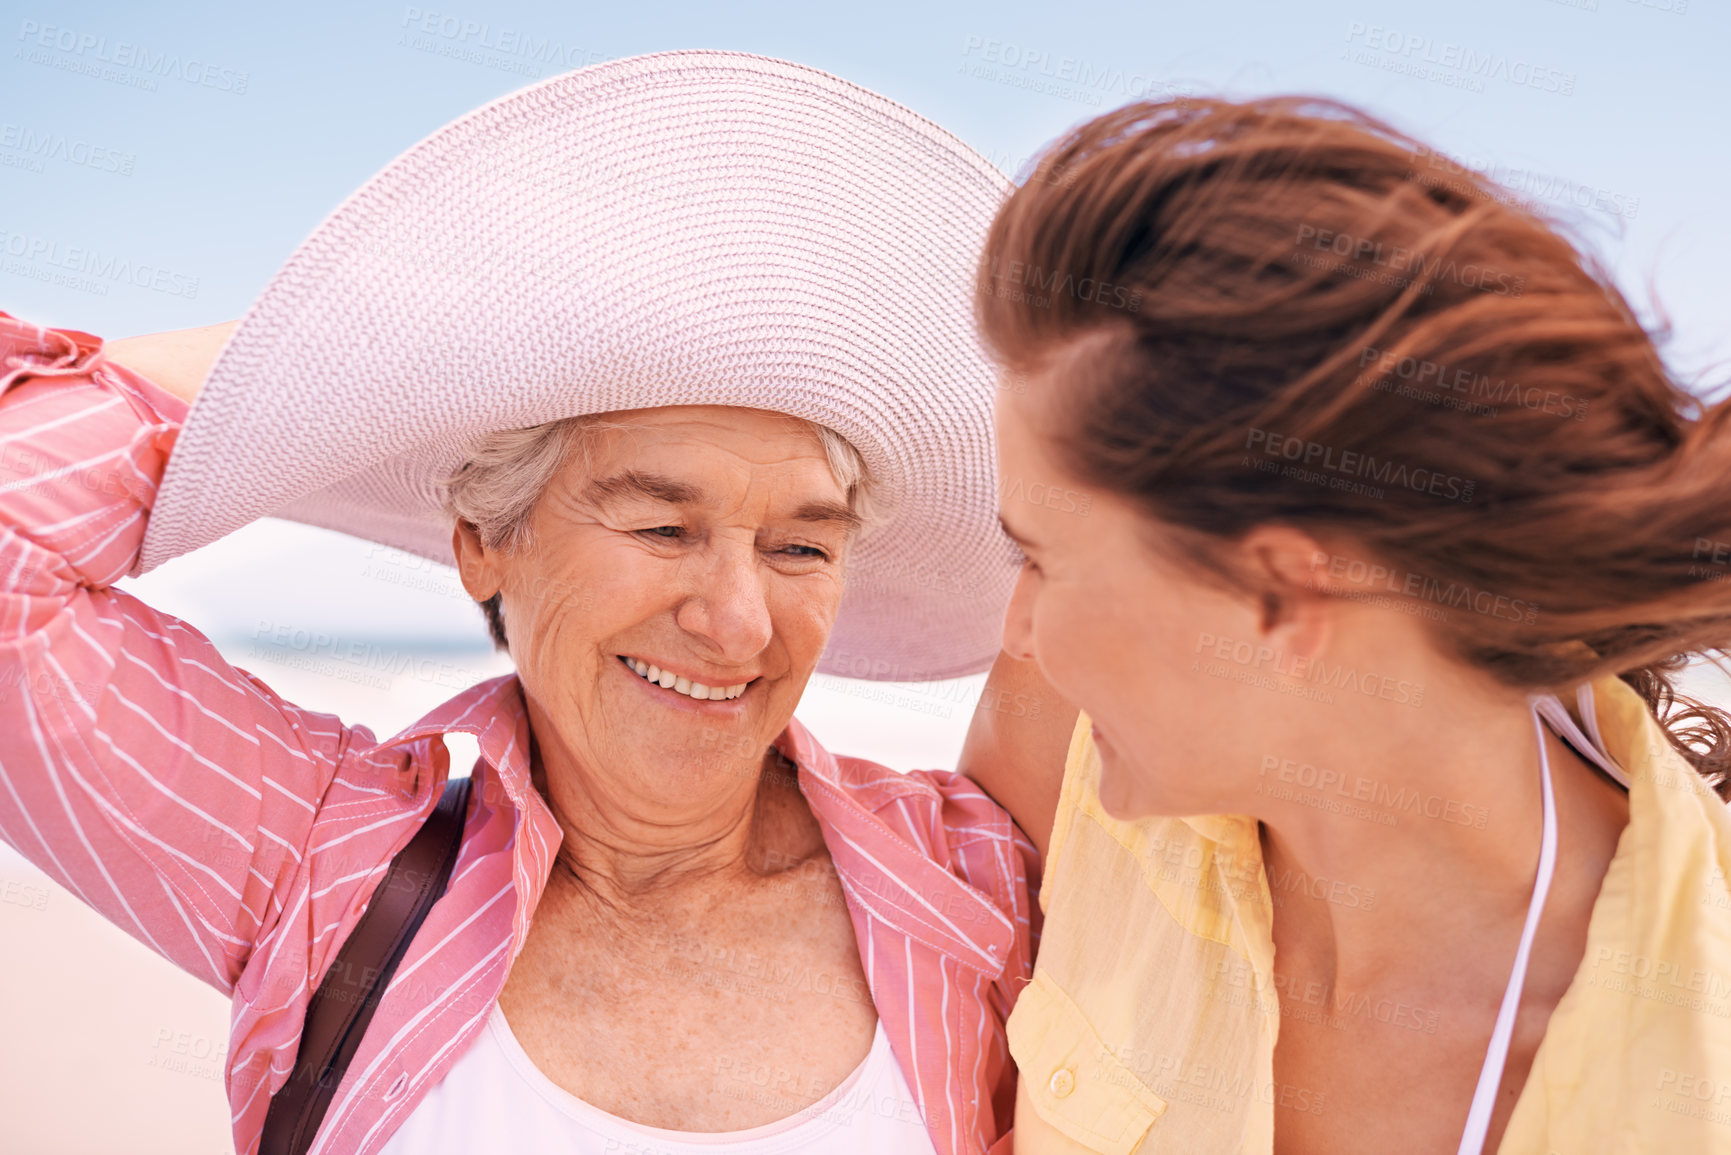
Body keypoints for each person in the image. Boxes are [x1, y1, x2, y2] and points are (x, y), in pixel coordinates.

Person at [0, 51, 1035, 1155]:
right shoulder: (331, 871)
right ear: (485, 543)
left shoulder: (971, 875)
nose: (739, 623)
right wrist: (357, 354)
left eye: (799, 546)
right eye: (660, 528)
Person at [959, 96, 1731, 1154]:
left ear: (1280, 598)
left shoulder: (1699, 1070)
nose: (1019, 633)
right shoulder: (1065, 747)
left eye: (1041, 561)